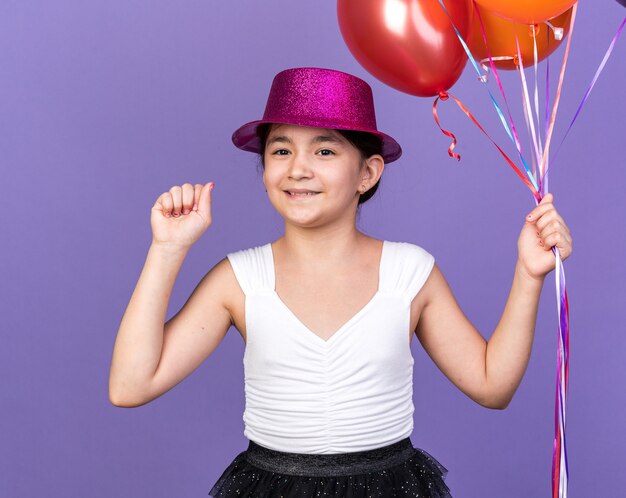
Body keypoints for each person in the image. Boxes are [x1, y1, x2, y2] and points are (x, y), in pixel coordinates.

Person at [108, 67, 573, 497]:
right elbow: (130, 386)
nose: (298, 168)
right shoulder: (239, 279)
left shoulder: (409, 272)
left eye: (325, 150)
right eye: (281, 149)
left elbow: (493, 386)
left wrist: (528, 275)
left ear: (367, 173)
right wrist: (167, 251)